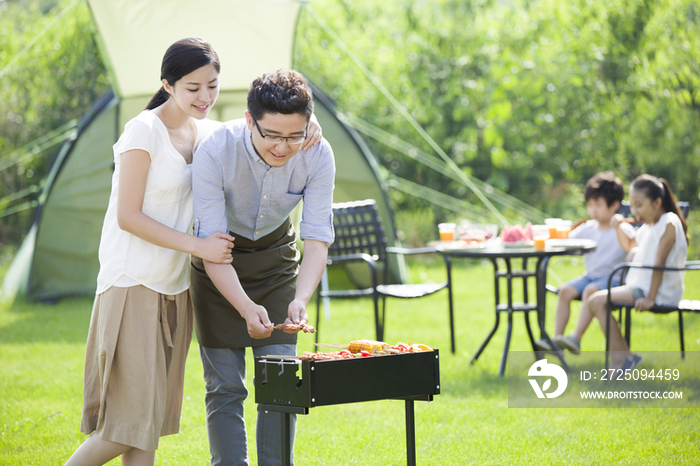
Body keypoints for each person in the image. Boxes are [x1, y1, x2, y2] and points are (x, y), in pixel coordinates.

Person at [64, 39, 324, 466]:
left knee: (146, 425)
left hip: (174, 286)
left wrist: (308, 130)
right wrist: (199, 246)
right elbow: (127, 216)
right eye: (192, 87)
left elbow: (256, 133)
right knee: (127, 424)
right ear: (167, 85)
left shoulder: (204, 132)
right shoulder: (143, 130)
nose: (204, 97)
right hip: (132, 281)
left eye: (212, 86)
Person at [190, 68, 335, 466]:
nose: (282, 147)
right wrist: (243, 307)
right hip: (218, 266)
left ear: (309, 126)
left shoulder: (318, 152)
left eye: (294, 136)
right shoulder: (216, 151)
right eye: (271, 135)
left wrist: (301, 298)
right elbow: (213, 246)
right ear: (250, 120)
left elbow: (318, 236)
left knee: (281, 384)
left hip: (277, 266)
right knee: (224, 389)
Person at [579, 175, 688, 369]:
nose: (635, 211)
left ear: (657, 202)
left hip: (658, 291)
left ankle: (622, 359)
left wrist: (650, 298)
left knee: (596, 300)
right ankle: (625, 357)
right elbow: (629, 245)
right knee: (595, 300)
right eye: (633, 205)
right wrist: (620, 226)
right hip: (640, 286)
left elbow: (659, 263)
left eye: (639, 205)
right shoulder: (649, 226)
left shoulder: (668, 222)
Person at [535, 172, 636, 354]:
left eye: (598, 205)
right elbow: (565, 240)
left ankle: (576, 338)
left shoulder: (623, 228)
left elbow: (634, 248)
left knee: (590, 291)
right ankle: (557, 340)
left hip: (614, 280)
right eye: (590, 205)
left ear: (614, 205)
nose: (593, 210)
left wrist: (619, 227)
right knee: (565, 291)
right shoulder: (589, 228)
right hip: (591, 277)